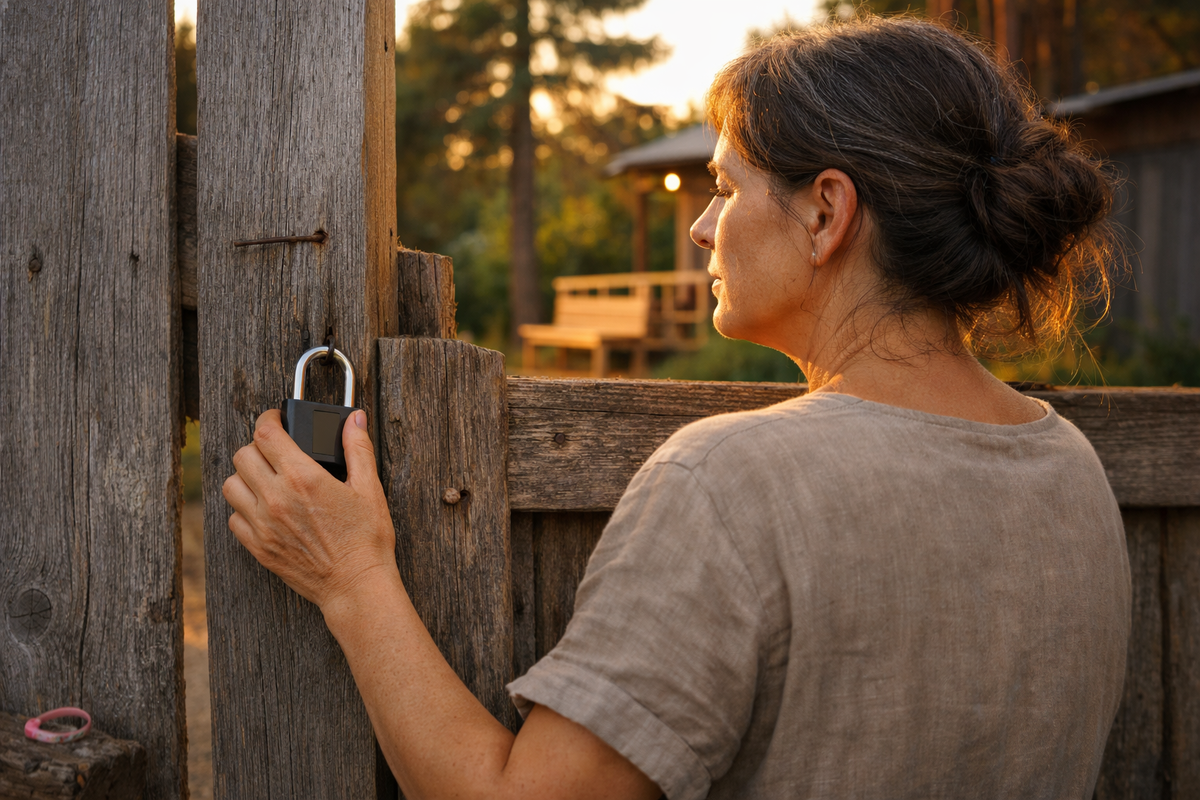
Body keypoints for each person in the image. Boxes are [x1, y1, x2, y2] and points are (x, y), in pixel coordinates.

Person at [223, 15, 1131, 800]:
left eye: (728, 189)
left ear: (826, 215)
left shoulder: (733, 481)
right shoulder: (1071, 469)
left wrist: (351, 576)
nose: (702, 226)